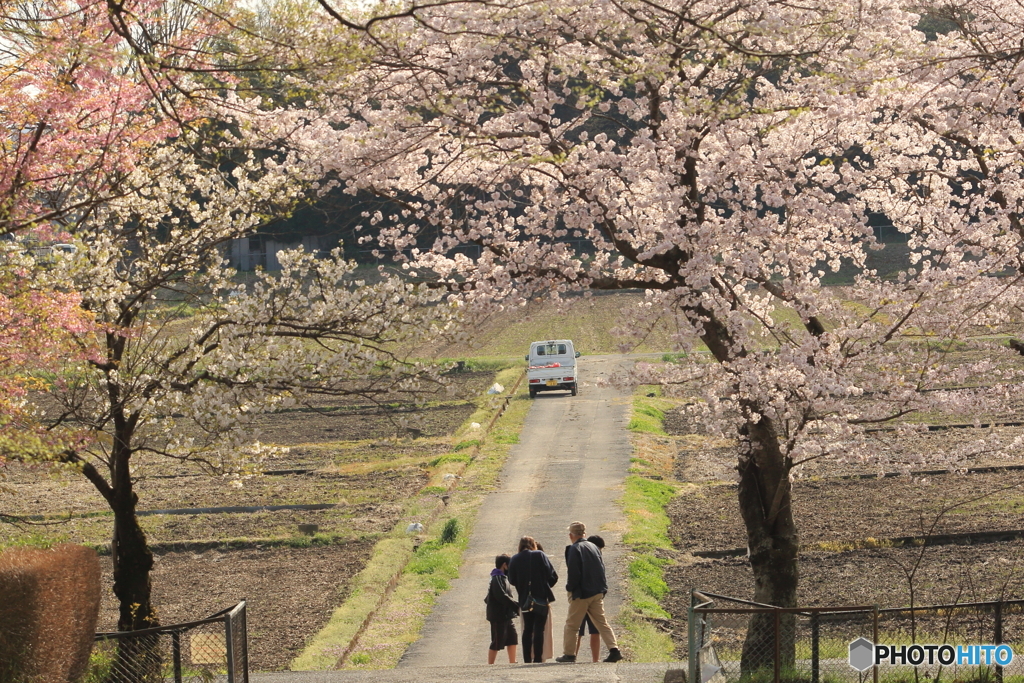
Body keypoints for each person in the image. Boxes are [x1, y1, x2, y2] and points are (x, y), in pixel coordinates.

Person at [555, 522, 623, 663]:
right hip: (597, 591)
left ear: (571, 535)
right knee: (601, 623)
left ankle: (569, 654)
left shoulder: (575, 548)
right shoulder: (593, 547)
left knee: (572, 625)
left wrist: (570, 588)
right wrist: (602, 589)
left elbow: (574, 572)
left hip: (582, 593)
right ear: (584, 533)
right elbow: (601, 568)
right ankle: (614, 650)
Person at [507, 536, 558, 663]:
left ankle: (527, 658)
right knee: (539, 629)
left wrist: (522, 584)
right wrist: (544, 585)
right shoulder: (540, 555)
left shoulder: (514, 559)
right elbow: (551, 574)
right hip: (541, 597)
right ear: (533, 544)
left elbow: (511, 580)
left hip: (524, 598)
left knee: (527, 629)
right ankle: (538, 658)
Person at [575, 535, 605, 662]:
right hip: (591, 597)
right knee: (593, 629)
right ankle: (595, 660)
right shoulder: (596, 559)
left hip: (581, 596)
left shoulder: (581, 554)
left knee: (578, 629)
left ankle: (573, 656)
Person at [486, 554, 519, 664]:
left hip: (506, 615)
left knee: (512, 638)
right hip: (498, 616)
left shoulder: (503, 578)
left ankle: (513, 662)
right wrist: (517, 607)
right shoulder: (497, 578)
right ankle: (490, 665)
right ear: (504, 565)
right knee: (497, 641)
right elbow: (501, 596)